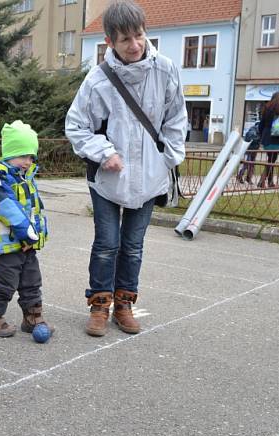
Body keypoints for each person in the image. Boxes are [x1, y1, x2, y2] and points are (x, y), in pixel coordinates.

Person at [65, 0, 187, 337]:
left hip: (149, 175)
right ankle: (100, 305)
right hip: (108, 176)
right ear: (109, 43)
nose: (134, 45)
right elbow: (76, 127)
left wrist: (168, 159)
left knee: (133, 246)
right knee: (107, 243)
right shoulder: (98, 80)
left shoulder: (165, 69)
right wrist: (104, 152)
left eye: (139, 36)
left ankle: (124, 304)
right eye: (125, 40)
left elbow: (176, 118)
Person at [0, 120, 51, 338]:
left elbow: (34, 209)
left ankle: (32, 317)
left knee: (31, 280)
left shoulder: (25, 178)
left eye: (31, 157)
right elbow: (7, 208)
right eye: (23, 156)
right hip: (7, 243)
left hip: (27, 242)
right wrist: (27, 233)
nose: (28, 162)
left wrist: (37, 235)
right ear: (10, 153)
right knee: (7, 283)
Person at [237, 120, 261, 185]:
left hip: (254, 149)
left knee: (251, 165)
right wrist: (259, 138)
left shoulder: (257, 130)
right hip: (248, 149)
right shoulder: (253, 130)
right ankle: (240, 176)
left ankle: (248, 178)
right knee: (246, 163)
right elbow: (252, 138)